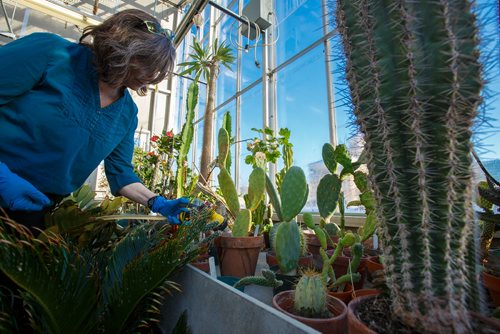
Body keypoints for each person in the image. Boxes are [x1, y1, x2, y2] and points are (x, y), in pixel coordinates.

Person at [0, 9, 188, 229]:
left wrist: (157, 202)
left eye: (158, 70)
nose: (153, 76)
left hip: (35, 210)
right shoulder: (51, 54)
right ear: (122, 47)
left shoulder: (127, 113)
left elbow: (121, 174)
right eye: (148, 64)